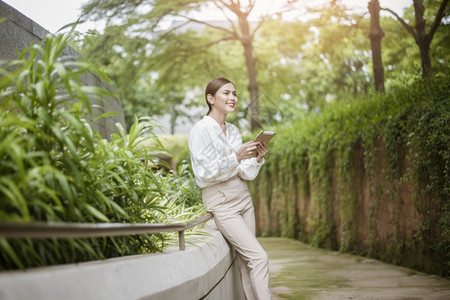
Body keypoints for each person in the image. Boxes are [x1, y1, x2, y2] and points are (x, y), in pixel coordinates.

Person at [188, 77, 272, 300]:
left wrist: (256, 159)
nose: (232, 98)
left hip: (244, 199)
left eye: (234, 93)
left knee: (247, 263)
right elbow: (204, 174)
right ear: (210, 98)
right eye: (226, 93)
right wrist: (236, 156)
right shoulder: (200, 130)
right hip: (222, 203)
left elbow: (243, 172)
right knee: (259, 258)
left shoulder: (233, 130)